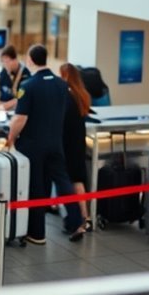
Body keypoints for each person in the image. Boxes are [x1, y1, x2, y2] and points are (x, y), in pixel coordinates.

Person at [6, 44, 85, 243]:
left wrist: (10, 138)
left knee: (37, 187)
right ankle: (77, 221)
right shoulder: (61, 84)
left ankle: (37, 234)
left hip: (33, 145)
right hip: (56, 143)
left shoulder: (28, 86)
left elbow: (20, 118)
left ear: (30, 60)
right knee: (63, 181)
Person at [59, 63, 93, 230]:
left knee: (74, 181)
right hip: (78, 140)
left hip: (68, 142)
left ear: (65, 76)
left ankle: (82, 217)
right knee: (78, 179)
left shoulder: (67, 95)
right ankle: (85, 217)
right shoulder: (80, 94)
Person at [0, 45, 31, 112]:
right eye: (3, 62)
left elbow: (24, 98)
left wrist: (5, 106)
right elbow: (1, 94)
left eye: (7, 62)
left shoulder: (26, 74)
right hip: (5, 110)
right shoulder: (3, 73)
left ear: (15, 60)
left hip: (20, 110)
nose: (5, 65)